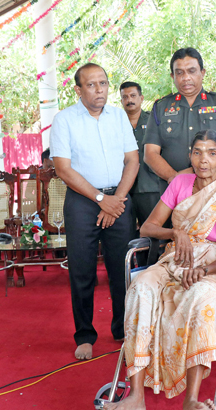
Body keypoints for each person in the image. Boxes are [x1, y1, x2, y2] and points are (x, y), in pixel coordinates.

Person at [103, 130, 216, 410]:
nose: (204, 160)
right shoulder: (180, 183)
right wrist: (176, 232)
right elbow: (147, 227)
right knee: (140, 288)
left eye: (211, 153)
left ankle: (191, 401)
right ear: (189, 155)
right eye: (197, 152)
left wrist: (204, 271)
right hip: (175, 259)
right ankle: (136, 396)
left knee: (200, 295)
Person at [50, 63, 139, 360]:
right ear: (78, 89)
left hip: (119, 198)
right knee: (82, 269)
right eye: (91, 84)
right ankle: (85, 335)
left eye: (103, 83)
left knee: (122, 268)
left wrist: (117, 201)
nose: (99, 89)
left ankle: (123, 329)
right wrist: (101, 199)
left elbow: (132, 161)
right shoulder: (64, 120)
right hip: (82, 201)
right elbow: (63, 169)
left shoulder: (118, 116)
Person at [143, 47, 216, 187]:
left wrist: (189, 175)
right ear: (173, 76)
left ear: (202, 73)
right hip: (172, 191)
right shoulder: (160, 108)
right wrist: (175, 179)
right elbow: (150, 154)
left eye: (192, 71)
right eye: (179, 73)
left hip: (213, 190)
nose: (186, 77)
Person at [120, 81, 155, 228]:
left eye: (133, 96)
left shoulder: (154, 121)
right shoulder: (115, 124)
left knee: (152, 232)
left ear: (141, 98)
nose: (129, 100)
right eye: (125, 97)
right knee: (126, 234)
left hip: (150, 186)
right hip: (123, 189)